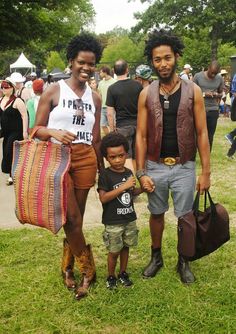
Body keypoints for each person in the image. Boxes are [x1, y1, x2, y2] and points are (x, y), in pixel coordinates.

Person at [136, 29, 210, 284]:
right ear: (152, 62)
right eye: (157, 59)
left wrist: (206, 172)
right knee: (156, 214)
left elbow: (201, 133)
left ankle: (184, 261)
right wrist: (140, 171)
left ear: (176, 57)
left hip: (184, 166)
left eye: (167, 58)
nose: (163, 64)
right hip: (155, 166)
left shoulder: (194, 91)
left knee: (185, 217)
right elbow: (141, 136)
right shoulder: (146, 93)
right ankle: (156, 257)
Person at [34, 32, 103, 301]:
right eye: (81, 63)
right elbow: (34, 130)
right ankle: (89, 270)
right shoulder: (53, 90)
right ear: (71, 62)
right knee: (70, 219)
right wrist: (53, 133)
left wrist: (102, 166)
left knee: (77, 219)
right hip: (58, 158)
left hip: (85, 158)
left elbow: (96, 137)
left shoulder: (95, 98)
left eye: (92, 63)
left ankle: (67, 268)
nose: (86, 68)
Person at [98, 132, 141, 289]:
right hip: (113, 221)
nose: (117, 160)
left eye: (121, 156)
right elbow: (103, 198)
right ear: (106, 158)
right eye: (112, 157)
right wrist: (124, 186)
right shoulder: (105, 175)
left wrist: (142, 189)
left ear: (126, 154)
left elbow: (131, 193)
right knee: (114, 251)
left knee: (125, 247)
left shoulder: (129, 173)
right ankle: (111, 276)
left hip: (129, 219)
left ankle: (123, 272)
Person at [106, 59, 143, 173]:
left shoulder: (112, 89)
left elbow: (110, 113)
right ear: (127, 70)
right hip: (139, 124)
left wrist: (112, 130)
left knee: (126, 155)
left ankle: (130, 180)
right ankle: (140, 175)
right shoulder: (138, 85)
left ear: (114, 72)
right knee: (139, 152)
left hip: (122, 126)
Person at [0, 77, 28, 185]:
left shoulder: (18, 101)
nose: (4, 89)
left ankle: (13, 175)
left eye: (6, 87)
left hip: (16, 131)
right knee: (6, 152)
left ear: (12, 88)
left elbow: (24, 116)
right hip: (5, 131)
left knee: (9, 151)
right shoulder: (1, 100)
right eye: (2, 87)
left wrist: (25, 132)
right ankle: (12, 174)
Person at [193, 61, 224, 151]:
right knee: (195, 133)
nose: (213, 75)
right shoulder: (198, 76)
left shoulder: (220, 78)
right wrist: (203, 94)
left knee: (210, 134)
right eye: (212, 72)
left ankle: (207, 154)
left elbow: (221, 93)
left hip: (213, 110)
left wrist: (216, 94)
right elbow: (190, 91)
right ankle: (192, 155)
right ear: (208, 68)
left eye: (216, 73)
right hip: (198, 109)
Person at [98, 66, 116, 135]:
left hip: (112, 108)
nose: (100, 74)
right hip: (102, 108)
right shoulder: (100, 83)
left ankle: (115, 138)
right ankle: (110, 137)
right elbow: (100, 95)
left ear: (105, 72)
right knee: (103, 125)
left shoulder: (114, 82)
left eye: (100, 72)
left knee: (113, 126)